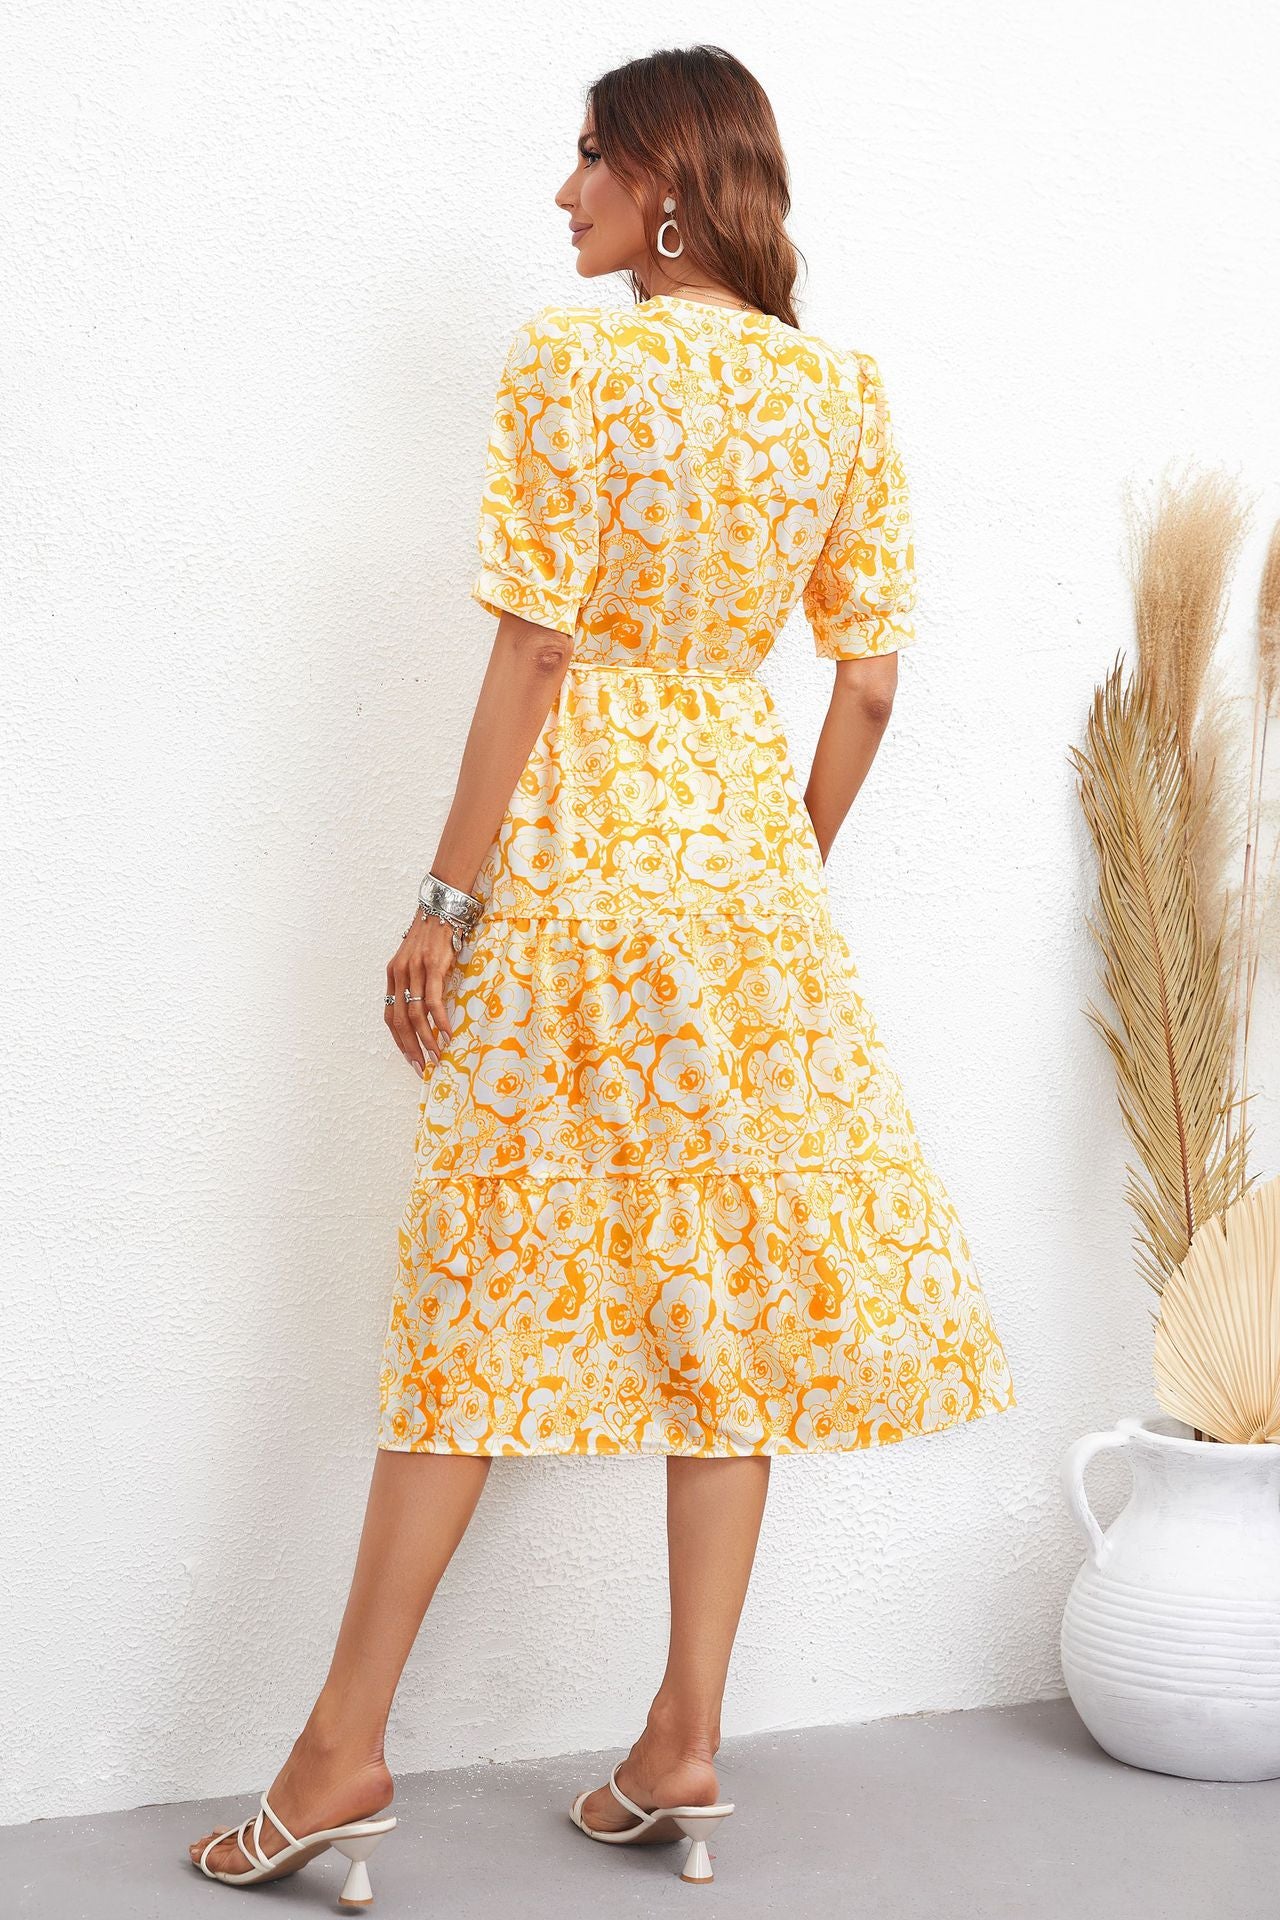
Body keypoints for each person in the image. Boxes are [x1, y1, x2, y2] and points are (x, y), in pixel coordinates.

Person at [189, 41, 1016, 1901]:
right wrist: (774, 874)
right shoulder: (839, 393)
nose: (561, 194)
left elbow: (541, 660)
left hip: (572, 864)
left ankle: (335, 1762)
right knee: (718, 1308)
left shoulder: (575, 361)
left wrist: (441, 902)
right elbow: (869, 683)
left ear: (665, 183)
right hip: (742, 882)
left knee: (482, 1298)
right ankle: (685, 1740)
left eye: (586, 161)